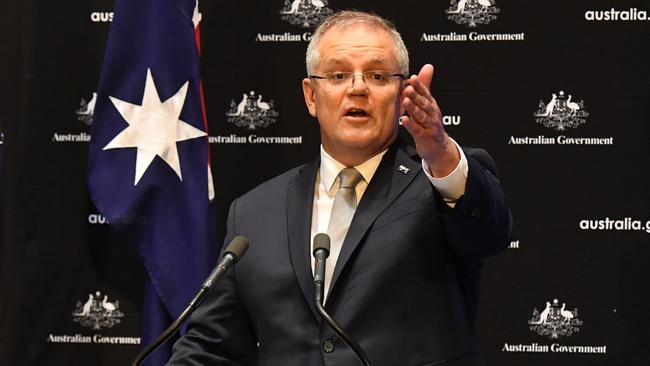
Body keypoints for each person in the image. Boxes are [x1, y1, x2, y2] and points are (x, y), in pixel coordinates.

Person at [167, 10, 512, 366]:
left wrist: (441, 155)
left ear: (402, 93)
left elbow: (489, 234)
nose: (358, 87)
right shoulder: (254, 212)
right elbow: (211, 345)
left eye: (378, 75)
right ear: (311, 96)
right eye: (338, 75)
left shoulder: (442, 180)